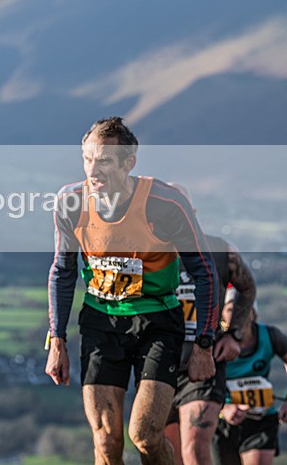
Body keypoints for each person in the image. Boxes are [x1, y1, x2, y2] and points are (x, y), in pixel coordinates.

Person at [44, 117, 219, 464]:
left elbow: (206, 272)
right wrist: (57, 340)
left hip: (156, 322)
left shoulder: (165, 203)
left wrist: (203, 344)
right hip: (100, 322)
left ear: (129, 163)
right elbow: (62, 271)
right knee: (106, 441)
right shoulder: (70, 201)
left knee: (145, 436)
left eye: (105, 161)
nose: (93, 170)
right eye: (87, 158)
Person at [163, 183, 257, 465]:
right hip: (158, 365)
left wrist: (234, 335)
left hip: (204, 362)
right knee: (165, 454)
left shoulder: (218, 250)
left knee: (194, 449)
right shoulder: (147, 252)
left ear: (192, 212)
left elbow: (247, 288)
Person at [212, 289, 287, 465]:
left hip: (261, 419)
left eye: (242, 309)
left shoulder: (270, 336)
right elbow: (198, 379)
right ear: (222, 315)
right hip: (221, 422)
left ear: (253, 313)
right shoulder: (213, 341)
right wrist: (223, 407)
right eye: (231, 309)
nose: (237, 314)